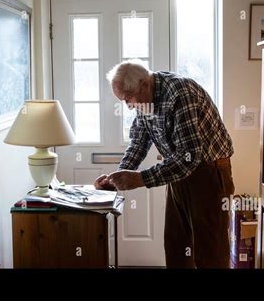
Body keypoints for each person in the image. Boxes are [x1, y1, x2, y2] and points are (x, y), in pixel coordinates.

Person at [94, 60, 235, 268]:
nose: (129, 105)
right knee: (177, 245)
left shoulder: (180, 94)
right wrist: (117, 178)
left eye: (128, 98)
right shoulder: (144, 99)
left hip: (208, 173)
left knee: (210, 250)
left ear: (143, 84)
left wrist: (141, 179)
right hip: (178, 173)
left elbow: (188, 158)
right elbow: (139, 142)